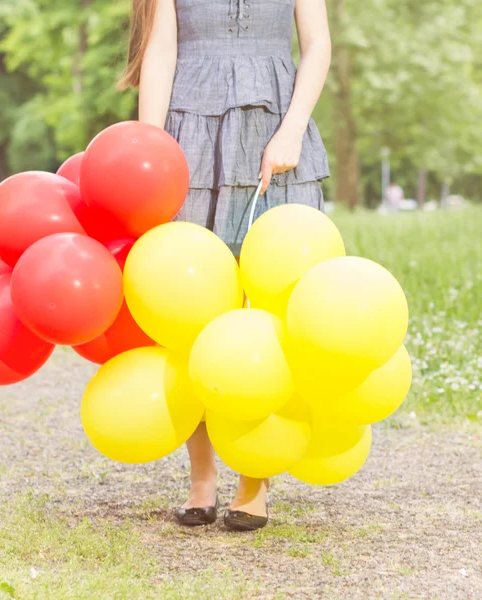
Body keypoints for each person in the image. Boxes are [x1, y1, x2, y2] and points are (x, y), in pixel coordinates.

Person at [119, 0, 331, 531]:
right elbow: (161, 49)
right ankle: (201, 478)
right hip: (189, 131)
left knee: (264, 306)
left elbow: (318, 46)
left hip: (274, 126)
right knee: (193, 313)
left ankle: (254, 480)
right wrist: (153, 151)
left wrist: (293, 130)